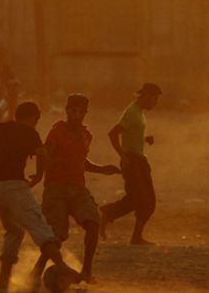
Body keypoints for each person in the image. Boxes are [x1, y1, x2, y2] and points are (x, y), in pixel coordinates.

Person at [0, 101, 78, 293]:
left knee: (14, 231)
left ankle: (2, 283)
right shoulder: (29, 132)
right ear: (34, 118)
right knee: (39, 226)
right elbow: (42, 154)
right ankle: (62, 267)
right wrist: (39, 176)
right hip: (13, 186)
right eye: (37, 120)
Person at [30, 94, 121, 284]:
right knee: (58, 234)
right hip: (56, 188)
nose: (77, 115)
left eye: (81, 112)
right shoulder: (57, 132)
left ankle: (86, 271)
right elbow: (43, 153)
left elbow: (81, 161)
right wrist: (41, 173)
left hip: (78, 187)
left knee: (93, 222)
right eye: (73, 111)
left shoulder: (87, 135)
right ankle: (37, 269)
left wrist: (102, 169)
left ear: (85, 113)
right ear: (67, 110)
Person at [100, 82, 161, 246]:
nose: (155, 103)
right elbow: (113, 134)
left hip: (139, 160)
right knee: (146, 201)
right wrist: (123, 157)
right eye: (154, 99)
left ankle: (106, 215)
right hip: (134, 162)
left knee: (135, 199)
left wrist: (144, 139)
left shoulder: (139, 112)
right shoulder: (132, 112)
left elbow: (131, 135)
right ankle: (135, 237)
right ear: (147, 96)